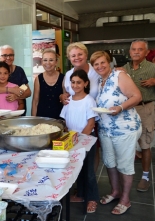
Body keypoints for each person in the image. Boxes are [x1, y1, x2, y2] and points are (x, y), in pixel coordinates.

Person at [90, 50, 142, 215]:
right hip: (106, 129)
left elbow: (137, 96)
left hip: (124, 128)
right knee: (110, 162)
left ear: (109, 62)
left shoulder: (119, 75)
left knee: (124, 165)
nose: (100, 66)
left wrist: (120, 107)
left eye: (102, 62)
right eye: (96, 64)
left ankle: (125, 200)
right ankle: (115, 192)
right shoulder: (100, 81)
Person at [60, 69, 99, 213]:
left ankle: (92, 199)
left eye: (79, 83)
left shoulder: (89, 100)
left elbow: (90, 124)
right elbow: (65, 121)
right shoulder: (68, 100)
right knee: (78, 170)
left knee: (88, 172)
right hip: (72, 140)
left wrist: (79, 140)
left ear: (86, 83)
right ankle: (81, 194)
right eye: (73, 82)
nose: (75, 85)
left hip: (86, 140)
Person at [59, 42, 101, 172]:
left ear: (86, 55)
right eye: (73, 55)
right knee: (75, 153)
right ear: (69, 58)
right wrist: (62, 96)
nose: (76, 58)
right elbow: (66, 92)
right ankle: (78, 182)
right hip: (74, 121)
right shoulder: (68, 74)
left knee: (92, 152)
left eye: (80, 54)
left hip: (93, 118)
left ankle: (90, 180)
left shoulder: (97, 71)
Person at [123, 39, 155, 192]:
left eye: (140, 49)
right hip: (127, 110)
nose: (136, 52)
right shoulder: (123, 69)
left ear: (146, 52)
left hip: (145, 108)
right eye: (133, 49)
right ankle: (125, 173)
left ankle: (145, 176)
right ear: (129, 52)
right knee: (127, 142)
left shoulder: (152, 68)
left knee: (145, 143)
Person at [0, 45, 31, 116]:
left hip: (18, 114)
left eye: (11, 55)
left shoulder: (19, 70)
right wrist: (12, 90)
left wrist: (16, 96)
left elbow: (27, 91)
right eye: (4, 55)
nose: (8, 58)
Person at [31, 49, 64, 119]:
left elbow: (65, 101)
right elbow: (35, 102)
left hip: (59, 118)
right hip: (42, 119)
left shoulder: (63, 78)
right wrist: (33, 120)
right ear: (42, 62)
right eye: (45, 60)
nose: (48, 63)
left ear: (56, 62)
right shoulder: (38, 79)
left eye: (51, 60)